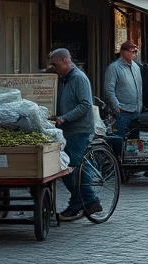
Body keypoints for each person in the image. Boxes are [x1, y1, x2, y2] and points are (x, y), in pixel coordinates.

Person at [48, 48, 101, 221]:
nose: (53, 67)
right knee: (67, 168)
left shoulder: (78, 78)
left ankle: (91, 200)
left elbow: (85, 104)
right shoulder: (62, 79)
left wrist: (64, 118)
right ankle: (77, 203)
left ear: (65, 61)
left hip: (79, 129)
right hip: (65, 130)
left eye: (55, 64)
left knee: (73, 167)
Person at [104, 40, 142, 138]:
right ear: (123, 52)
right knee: (120, 139)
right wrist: (116, 105)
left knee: (134, 140)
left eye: (135, 52)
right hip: (123, 111)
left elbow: (139, 87)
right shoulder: (114, 68)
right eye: (132, 52)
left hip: (136, 111)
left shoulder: (136, 67)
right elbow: (109, 89)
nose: (135, 54)